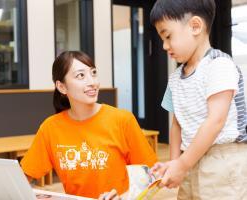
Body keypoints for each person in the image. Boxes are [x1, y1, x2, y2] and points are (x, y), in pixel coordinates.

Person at [20, 51, 157, 199]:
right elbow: (21, 179)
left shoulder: (123, 120)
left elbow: (151, 177)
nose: (92, 82)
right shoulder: (50, 128)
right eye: (81, 76)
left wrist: (122, 198)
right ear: (62, 87)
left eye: (94, 73)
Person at [150, 0, 247, 199]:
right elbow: (177, 124)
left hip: (222, 160)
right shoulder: (175, 78)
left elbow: (215, 121)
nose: (164, 45)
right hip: (190, 157)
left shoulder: (219, 65)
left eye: (168, 36)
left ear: (195, 26)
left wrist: (182, 164)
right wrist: (174, 163)